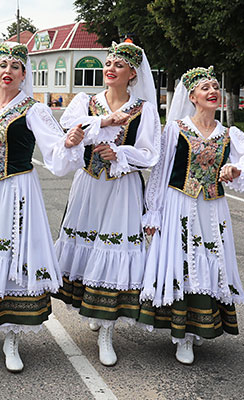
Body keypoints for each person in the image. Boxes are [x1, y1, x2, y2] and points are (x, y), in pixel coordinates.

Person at [0, 42, 83, 372]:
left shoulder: (33, 109)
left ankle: (12, 337)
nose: (7, 70)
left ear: (24, 75)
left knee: (12, 258)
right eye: (2, 64)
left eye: (15, 66)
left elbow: (55, 149)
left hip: (16, 191)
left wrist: (67, 143)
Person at [139, 66, 244, 364]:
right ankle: (180, 334)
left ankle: (195, 331)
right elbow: (160, 171)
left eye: (215, 87)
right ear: (192, 96)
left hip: (212, 209)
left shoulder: (228, 133)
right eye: (205, 88)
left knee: (208, 261)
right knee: (181, 261)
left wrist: (237, 169)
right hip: (179, 204)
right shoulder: (176, 128)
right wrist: (152, 212)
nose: (212, 92)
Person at [53, 41, 161, 366]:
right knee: (88, 251)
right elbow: (68, 129)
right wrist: (100, 124)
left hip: (122, 188)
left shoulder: (144, 109)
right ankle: (93, 309)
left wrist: (121, 154)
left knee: (113, 254)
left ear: (132, 74)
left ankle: (106, 332)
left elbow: (150, 153)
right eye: (108, 62)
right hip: (88, 186)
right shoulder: (86, 101)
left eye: (118, 64)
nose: (110, 68)